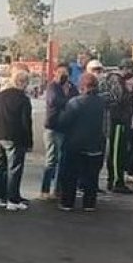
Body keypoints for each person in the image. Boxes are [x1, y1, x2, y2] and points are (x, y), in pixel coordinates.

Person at [0, 70, 33, 212]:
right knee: (14, 169)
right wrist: (29, 142)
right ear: (22, 83)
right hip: (14, 137)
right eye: (26, 83)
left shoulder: (0, 95)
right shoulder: (23, 99)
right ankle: (12, 200)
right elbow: (26, 122)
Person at [56, 73, 106, 212]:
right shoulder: (102, 103)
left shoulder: (75, 102)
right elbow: (106, 125)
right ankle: (89, 204)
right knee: (91, 176)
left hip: (74, 145)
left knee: (70, 175)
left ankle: (67, 203)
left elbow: (63, 122)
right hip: (95, 145)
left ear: (82, 86)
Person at [41, 64, 78, 200]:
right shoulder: (53, 86)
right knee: (51, 159)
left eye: (65, 73)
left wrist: (68, 99)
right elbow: (53, 100)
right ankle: (44, 190)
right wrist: (68, 101)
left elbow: (77, 102)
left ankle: (58, 190)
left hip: (66, 128)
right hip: (52, 127)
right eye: (60, 72)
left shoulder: (72, 88)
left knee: (63, 160)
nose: (62, 75)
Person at [104, 58, 133, 194]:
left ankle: (116, 180)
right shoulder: (116, 80)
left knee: (119, 151)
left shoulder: (117, 80)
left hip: (121, 119)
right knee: (117, 152)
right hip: (117, 120)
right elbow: (120, 98)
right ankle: (116, 181)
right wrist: (131, 92)